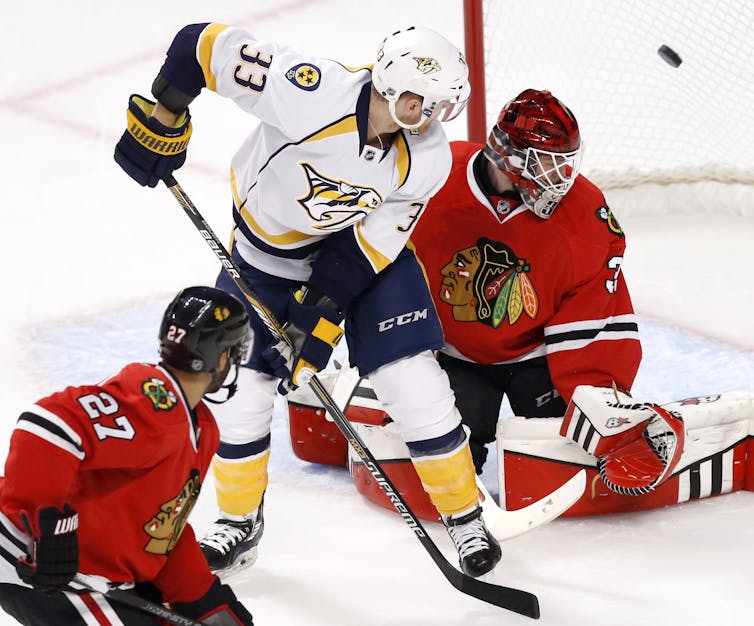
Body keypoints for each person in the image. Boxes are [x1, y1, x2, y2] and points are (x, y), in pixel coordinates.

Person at [113, 23, 501, 579]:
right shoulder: (309, 90)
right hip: (266, 257)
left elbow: (370, 244)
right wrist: (166, 114)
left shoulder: (428, 156)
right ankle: (239, 522)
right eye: (421, 100)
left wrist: (318, 315)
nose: (430, 116)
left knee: (410, 379)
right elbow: (200, 45)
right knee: (242, 386)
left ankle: (465, 516)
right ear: (389, 84)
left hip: (361, 263)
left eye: (440, 105)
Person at [409, 89, 658, 484]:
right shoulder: (431, 177)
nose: (560, 178)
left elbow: (592, 305)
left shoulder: (585, 213)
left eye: (563, 165)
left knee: (567, 465)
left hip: (539, 357)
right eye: (546, 164)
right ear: (509, 157)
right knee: (440, 467)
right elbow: (379, 260)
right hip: (453, 354)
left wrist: (599, 403)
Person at [0, 286, 255, 625]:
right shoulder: (154, 404)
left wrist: (204, 599)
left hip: (94, 570)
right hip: (33, 560)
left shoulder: (201, 428)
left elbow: (163, 530)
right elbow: (45, 426)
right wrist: (52, 532)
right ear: (221, 358)